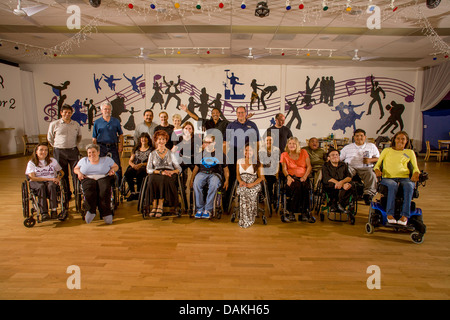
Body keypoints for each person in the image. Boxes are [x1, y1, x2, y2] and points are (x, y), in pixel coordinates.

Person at [374, 131, 420, 226]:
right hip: (388, 178)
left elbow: (416, 168)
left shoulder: (410, 152)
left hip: (404, 178)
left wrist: (416, 173)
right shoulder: (387, 151)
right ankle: (389, 214)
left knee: (409, 186)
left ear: (407, 141)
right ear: (394, 140)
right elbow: (377, 166)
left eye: (403, 139)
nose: (400, 141)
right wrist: (377, 170)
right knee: (393, 185)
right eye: (398, 138)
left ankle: (405, 216)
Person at [225, 106, 260, 212]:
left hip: (248, 154)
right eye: (238, 112)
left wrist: (256, 156)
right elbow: (226, 143)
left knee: (247, 178)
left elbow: (257, 142)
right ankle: (227, 205)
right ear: (236, 113)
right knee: (231, 178)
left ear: (246, 113)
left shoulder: (252, 125)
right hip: (233, 153)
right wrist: (226, 156)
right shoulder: (231, 125)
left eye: (242, 112)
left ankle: (245, 205)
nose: (240, 114)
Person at [73, 144, 119, 225]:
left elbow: (116, 167)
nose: (91, 154)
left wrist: (112, 170)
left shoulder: (106, 159)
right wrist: (79, 173)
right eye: (89, 153)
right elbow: (75, 169)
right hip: (87, 178)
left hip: (103, 177)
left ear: (98, 152)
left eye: (93, 152)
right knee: (89, 192)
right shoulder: (83, 160)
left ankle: (106, 213)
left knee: (104, 192)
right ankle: (91, 211)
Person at [47, 104, 82, 202]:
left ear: (71, 113)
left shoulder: (75, 124)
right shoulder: (54, 124)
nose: (67, 114)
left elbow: (79, 137)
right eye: (65, 112)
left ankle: (77, 192)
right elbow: (50, 138)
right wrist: (57, 146)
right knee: (63, 174)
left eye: (69, 112)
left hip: (72, 150)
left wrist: (73, 145)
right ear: (61, 113)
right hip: (59, 151)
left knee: (75, 172)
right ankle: (66, 194)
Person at [191, 134, 229, 219]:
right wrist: (191, 180)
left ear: (214, 143)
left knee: (214, 185)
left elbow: (226, 169)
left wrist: (227, 180)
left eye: (209, 142)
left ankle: (208, 209)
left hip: (215, 174)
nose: (207, 144)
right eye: (205, 142)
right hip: (202, 173)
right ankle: (200, 208)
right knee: (196, 183)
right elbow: (196, 168)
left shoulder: (220, 154)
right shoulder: (200, 154)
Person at [146, 130, 182, 218]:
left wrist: (172, 171)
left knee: (164, 179)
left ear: (166, 141)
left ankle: (160, 205)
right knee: (151, 179)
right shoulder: (152, 154)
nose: (161, 141)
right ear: (156, 141)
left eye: (163, 139)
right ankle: (154, 206)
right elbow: (148, 169)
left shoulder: (170, 153)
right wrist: (160, 172)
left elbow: (179, 168)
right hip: (157, 172)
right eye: (159, 139)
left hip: (168, 172)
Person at [25, 143, 64, 221]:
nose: (44, 152)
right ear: (36, 151)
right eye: (41, 150)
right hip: (37, 182)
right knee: (41, 187)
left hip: (51, 181)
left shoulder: (52, 161)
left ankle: (54, 210)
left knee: (51, 186)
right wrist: (50, 179)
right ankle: (44, 213)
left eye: (46, 150)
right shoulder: (31, 163)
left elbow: (61, 172)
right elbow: (32, 178)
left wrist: (58, 178)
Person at [340, 129, 379, 204]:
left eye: (361, 136)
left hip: (365, 167)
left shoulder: (371, 146)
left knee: (371, 174)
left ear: (365, 137)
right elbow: (340, 159)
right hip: (351, 167)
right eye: (357, 136)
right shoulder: (347, 147)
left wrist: (370, 160)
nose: (359, 137)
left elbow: (378, 158)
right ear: (354, 137)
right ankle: (345, 192)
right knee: (344, 173)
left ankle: (368, 194)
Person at [280, 137, 313, 222]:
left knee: (305, 187)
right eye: (290, 143)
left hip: (303, 176)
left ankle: (304, 212)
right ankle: (291, 211)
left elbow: (309, 166)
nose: (292, 145)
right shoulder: (284, 154)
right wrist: (288, 177)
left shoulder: (304, 152)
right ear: (287, 145)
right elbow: (284, 168)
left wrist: (305, 176)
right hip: (291, 177)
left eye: (294, 143)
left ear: (297, 145)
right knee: (297, 187)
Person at [92, 101, 124, 180]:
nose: (107, 111)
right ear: (101, 110)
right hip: (101, 147)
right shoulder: (97, 122)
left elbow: (121, 134)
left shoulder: (116, 121)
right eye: (105, 109)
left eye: (109, 109)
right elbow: (94, 138)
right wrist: (95, 149)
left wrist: (121, 145)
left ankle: (118, 186)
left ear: (111, 110)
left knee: (117, 166)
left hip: (113, 146)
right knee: (100, 166)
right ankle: (102, 182)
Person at [236, 143, 263, 228]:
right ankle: (244, 218)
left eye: (250, 150)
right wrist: (240, 181)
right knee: (243, 191)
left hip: (254, 183)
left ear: (253, 151)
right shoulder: (239, 161)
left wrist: (252, 184)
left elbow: (261, 178)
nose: (248, 152)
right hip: (243, 183)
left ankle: (250, 218)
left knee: (249, 192)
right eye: (246, 150)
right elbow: (237, 175)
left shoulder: (258, 163)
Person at [172, 121, 196, 210]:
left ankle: (193, 201)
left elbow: (198, 152)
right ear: (183, 130)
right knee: (176, 175)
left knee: (197, 175)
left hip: (193, 160)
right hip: (182, 160)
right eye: (186, 128)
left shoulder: (196, 139)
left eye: (190, 128)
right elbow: (174, 150)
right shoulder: (179, 138)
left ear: (192, 130)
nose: (188, 130)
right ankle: (180, 191)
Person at [321, 149, 354, 214]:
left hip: (343, 184)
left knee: (351, 185)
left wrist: (342, 182)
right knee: (331, 185)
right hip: (331, 185)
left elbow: (349, 177)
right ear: (329, 158)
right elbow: (327, 178)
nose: (335, 156)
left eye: (337, 155)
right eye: (333, 155)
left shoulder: (343, 165)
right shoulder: (325, 166)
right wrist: (339, 183)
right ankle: (335, 204)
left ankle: (341, 204)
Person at [123, 132, 153, 201]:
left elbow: (151, 162)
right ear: (140, 139)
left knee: (140, 172)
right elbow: (130, 160)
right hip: (135, 166)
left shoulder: (151, 150)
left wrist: (142, 164)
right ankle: (133, 192)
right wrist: (133, 165)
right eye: (142, 138)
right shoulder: (136, 149)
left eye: (146, 138)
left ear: (148, 139)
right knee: (128, 173)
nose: (144, 139)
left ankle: (139, 192)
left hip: (145, 166)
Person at [258, 133, 280, 208]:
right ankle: (265, 195)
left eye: (270, 140)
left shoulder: (277, 150)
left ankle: (270, 197)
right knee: (264, 182)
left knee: (270, 183)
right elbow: (260, 164)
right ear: (264, 141)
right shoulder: (261, 150)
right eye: (267, 140)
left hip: (273, 171)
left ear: (273, 141)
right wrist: (262, 175)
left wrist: (277, 174)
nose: (268, 142)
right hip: (264, 171)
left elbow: (277, 163)